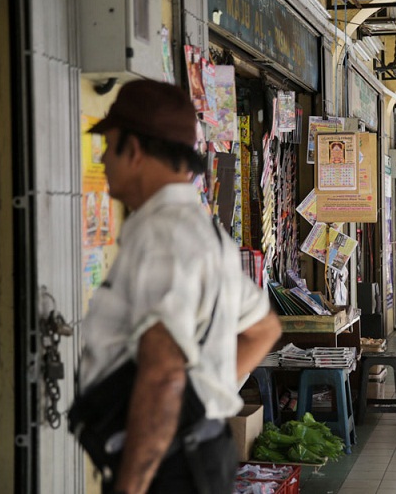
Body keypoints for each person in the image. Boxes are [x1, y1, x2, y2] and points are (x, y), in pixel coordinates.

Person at [78, 79, 282, 494]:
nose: (102, 159)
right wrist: (206, 396)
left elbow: (162, 373)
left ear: (133, 150)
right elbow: (264, 330)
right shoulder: (203, 231)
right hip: (192, 453)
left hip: (166, 470)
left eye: (109, 146)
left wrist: (130, 487)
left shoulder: (162, 236)